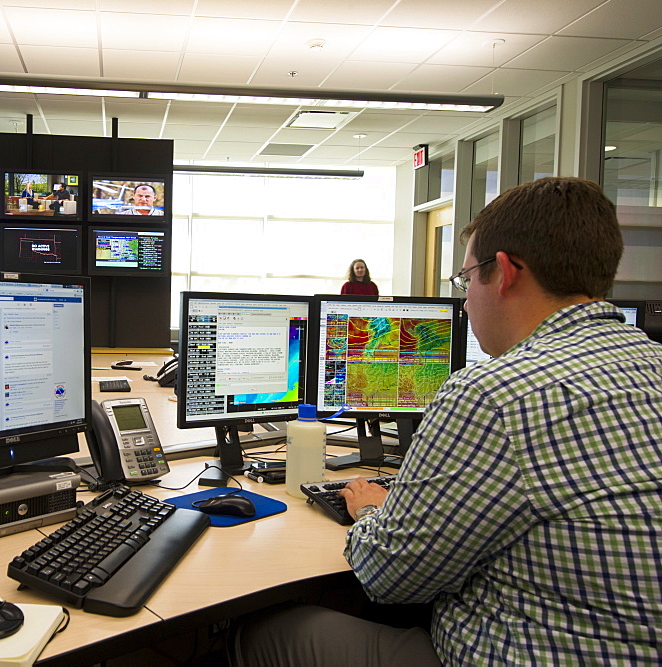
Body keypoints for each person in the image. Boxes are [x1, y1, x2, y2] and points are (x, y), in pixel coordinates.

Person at [235, 177, 662, 665]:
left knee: (270, 631)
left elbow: (389, 576)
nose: (463, 303)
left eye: (465, 280)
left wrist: (371, 511)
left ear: (504, 273)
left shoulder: (494, 393)